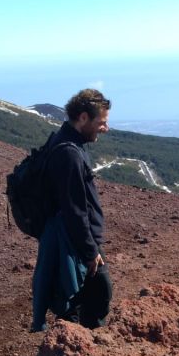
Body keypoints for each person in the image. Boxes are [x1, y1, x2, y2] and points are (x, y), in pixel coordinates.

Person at [31, 89, 113, 332]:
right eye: (102, 122)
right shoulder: (69, 154)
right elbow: (74, 210)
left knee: (84, 297)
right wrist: (90, 252)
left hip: (71, 239)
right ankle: (75, 354)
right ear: (84, 118)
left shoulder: (70, 143)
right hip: (72, 243)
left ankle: (76, 350)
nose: (105, 129)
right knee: (90, 297)